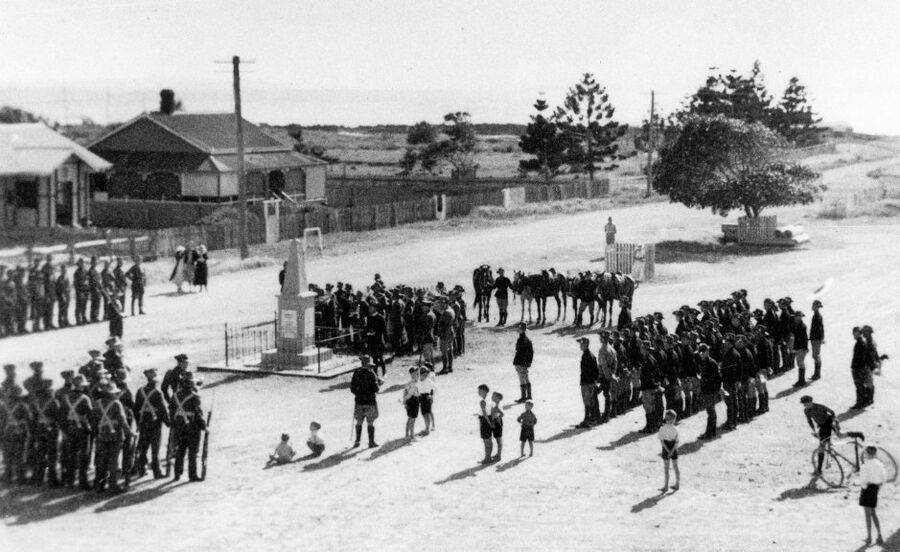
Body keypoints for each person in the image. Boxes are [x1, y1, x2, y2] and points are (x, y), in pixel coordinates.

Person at [91, 381, 133, 493]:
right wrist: (130, 433)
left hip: (101, 435)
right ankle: (112, 486)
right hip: (115, 436)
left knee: (101, 461)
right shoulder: (116, 404)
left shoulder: (96, 403)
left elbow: (93, 420)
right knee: (113, 462)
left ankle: (99, 485)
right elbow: (123, 421)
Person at [133, 368, 170, 479]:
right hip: (155, 424)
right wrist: (168, 423)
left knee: (143, 447)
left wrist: (138, 422)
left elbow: (136, 409)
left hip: (143, 422)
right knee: (155, 449)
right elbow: (162, 410)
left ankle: (141, 469)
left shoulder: (140, 391)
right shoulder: (157, 393)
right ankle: (156, 471)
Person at [59, 375, 93, 489]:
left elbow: (62, 416)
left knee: (71, 455)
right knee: (83, 456)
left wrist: (64, 430)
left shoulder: (66, 397)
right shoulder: (85, 398)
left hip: (70, 428)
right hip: (82, 429)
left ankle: (70, 481)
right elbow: (91, 415)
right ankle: (83, 482)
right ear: (82, 386)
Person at [169, 372, 205, 482]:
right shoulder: (195, 396)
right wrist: (204, 426)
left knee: (180, 450)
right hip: (192, 426)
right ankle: (192, 475)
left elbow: (171, 410)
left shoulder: (175, 395)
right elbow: (198, 413)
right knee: (192, 452)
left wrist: (174, 424)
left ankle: (177, 474)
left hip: (179, 426)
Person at [800, 395, 839, 475]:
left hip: (828, 424)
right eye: (804, 404)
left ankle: (819, 469)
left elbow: (832, 412)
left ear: (811, 402)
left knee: (822, 446)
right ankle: (821, 467)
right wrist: (814, 431)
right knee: (822, 446)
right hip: (821, 427)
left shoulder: (820, 406)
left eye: (807, 403)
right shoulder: (806, 411)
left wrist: (834, 422)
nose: (806, 406)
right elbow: (809, 421)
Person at [350, 355, 381, 448]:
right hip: (370, 402)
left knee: (359, 421)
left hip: (359, 402)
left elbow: (352, 388)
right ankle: (371, 442)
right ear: (368, 364)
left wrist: (358, 393)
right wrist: (379, 384)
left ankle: (357, 441)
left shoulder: (356, 372)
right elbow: (376, 389)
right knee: (370, 422)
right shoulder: (371, 374)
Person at [858, 445, 886, 546]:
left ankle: (869, 537)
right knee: (873, 513)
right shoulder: (879, 464)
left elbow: (863, 482)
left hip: (867, 490)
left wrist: (864, 487)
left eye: (865, 453)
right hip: (875, 489)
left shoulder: (865, 465)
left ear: (868, 454)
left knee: (867, 515)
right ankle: (879, 535)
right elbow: (884, 478)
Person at [697, 344, 722, 439]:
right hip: (707, 390)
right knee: (710, 411)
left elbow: (718, 378)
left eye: (703, 352)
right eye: (700, 353)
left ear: (707, 352)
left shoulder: (711, 363)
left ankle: (709, 433)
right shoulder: (704, 362)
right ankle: (712, 431)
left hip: (710, 391)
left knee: (710, 411)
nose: (701, 354)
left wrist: (715, 390)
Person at [577, 337, 600, 428]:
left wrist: (590, 382)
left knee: (587, 401)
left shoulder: (588, 356)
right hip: (588, 382)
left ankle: (588, 420)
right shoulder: (589, 355)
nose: (580, 345)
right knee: (589, 401)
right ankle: (592, 419)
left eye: (581, 344)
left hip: (587, 382)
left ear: (586, 345)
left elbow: (592, 371)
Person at [658, 409, 681, 492]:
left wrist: (667, 451)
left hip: (666, 448)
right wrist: (671, 451)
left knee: (666, 468)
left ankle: (666, 486)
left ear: (665, 418)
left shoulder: (662, 428)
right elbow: (676, 442)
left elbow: (662, 441)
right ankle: (677, 484)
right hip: (674, 448)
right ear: (674, 419)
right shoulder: (675, 429)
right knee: (675, 466)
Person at [513, 322, 534, 403]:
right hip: (524, 362)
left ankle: (523, 397)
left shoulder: (522, 339)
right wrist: (529, 362)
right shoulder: (527, 339)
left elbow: (519, 350)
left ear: (523, 330)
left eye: (520, 328)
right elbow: (531, 352)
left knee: (522, 378)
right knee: (525, 377)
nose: (518, 329)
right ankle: (528, 395)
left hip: (520, 361)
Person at [365, 303, 388, 377]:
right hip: (372, 341)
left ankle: (384, 371)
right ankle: (376, 373)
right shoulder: (369, 317)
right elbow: (367, 328)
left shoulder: (380, 317)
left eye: (371, 307)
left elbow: (384, 330)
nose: (369, 309)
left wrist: (386, 340)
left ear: (375, 308)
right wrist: (368, 334)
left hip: (379, 340)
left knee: (380, 357)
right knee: (374, 358)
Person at [791, 311, 810, 387]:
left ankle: (801, 381)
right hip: (800, 347)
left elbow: (804, 338)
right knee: (800, 363)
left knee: (800, 363)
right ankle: (801, 380)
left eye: (796, 316)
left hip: (801, 348)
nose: (795, 318)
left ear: (799, 317)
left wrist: (805, 348)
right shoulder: (798, 325)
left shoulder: (802, 326)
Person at [477, 384, 493, 464]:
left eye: (479, 391)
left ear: (484, 391)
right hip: (489, 419)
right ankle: (488, 457)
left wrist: (489, 423)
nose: (478, 392)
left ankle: (487, 458)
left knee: (486, 440)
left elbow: (484, 413)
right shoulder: (489, 399)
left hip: (485, 421)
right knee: (488, 440)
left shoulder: (483, 401)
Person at [401, 367, 420, 438]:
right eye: (416, 372)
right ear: (412, 374)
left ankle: (409, 434)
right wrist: (405, 401)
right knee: (411, 418)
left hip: (414, 400)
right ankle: (410, 435)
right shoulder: (412, 383)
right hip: (412, 400)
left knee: (412, 418)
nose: (417, 374)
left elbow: (405, 392)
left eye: (417, 372)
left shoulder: (415, 381)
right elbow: (407, 393)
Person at [418, 365, 436, 434]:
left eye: (426, 374)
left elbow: (435, 388)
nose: (426, 376)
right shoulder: (418, 380)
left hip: (427, 397)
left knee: (428, 412)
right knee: (424, 413)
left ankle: (430, 426)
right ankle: (427, 427)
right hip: (421, 398)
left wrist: (431, 395)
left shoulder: (428, 381)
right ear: (421, 374)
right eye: (424, 374)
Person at [809, 300, 824, 380]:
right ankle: (816, 373)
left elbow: (820, 328)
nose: (812, 306)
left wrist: (820, 338)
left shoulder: (817, 316)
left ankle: (817, 374)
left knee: (816, 355)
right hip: (815, 339)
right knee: (815, 355)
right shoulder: (816, 315)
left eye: (814, 305)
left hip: (816, 339)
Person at [490, 391, 504, 462]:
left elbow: (502, 414)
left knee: (498, 439)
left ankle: (499, 455)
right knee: (497, 439)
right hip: (495, 421)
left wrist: (498, 419)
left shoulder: (497, 406)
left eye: (493, 396)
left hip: (497, 423)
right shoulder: (495, 404)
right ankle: (498, 454)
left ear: (497, 398)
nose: (492, 396)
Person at [55, 264, 71, 328]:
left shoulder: (66, 277)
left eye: (65, 269)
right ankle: (60, 323)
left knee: (66, 309)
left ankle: (66, 321)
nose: (64, 270)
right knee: (61, 310)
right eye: (63, 269)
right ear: (61, 270)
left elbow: (68, 286)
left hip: (67, 295)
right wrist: (62, 295)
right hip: (62, 296)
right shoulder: (60, 278)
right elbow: (58, 288)